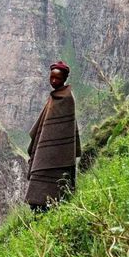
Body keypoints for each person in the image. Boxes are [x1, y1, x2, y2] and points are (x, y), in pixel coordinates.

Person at [25, 61, 81, 211]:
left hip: (58, 155)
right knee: (38, 183)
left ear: (64, 79)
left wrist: (53, 147)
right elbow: (44, 127)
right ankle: (37, 207)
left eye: (57, 78)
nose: (54, 81)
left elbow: (65, 128)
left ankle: (51, 207)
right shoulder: (53, 97)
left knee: (55, 184)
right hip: (45, 152)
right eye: (52, 78)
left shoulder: (67, 99)